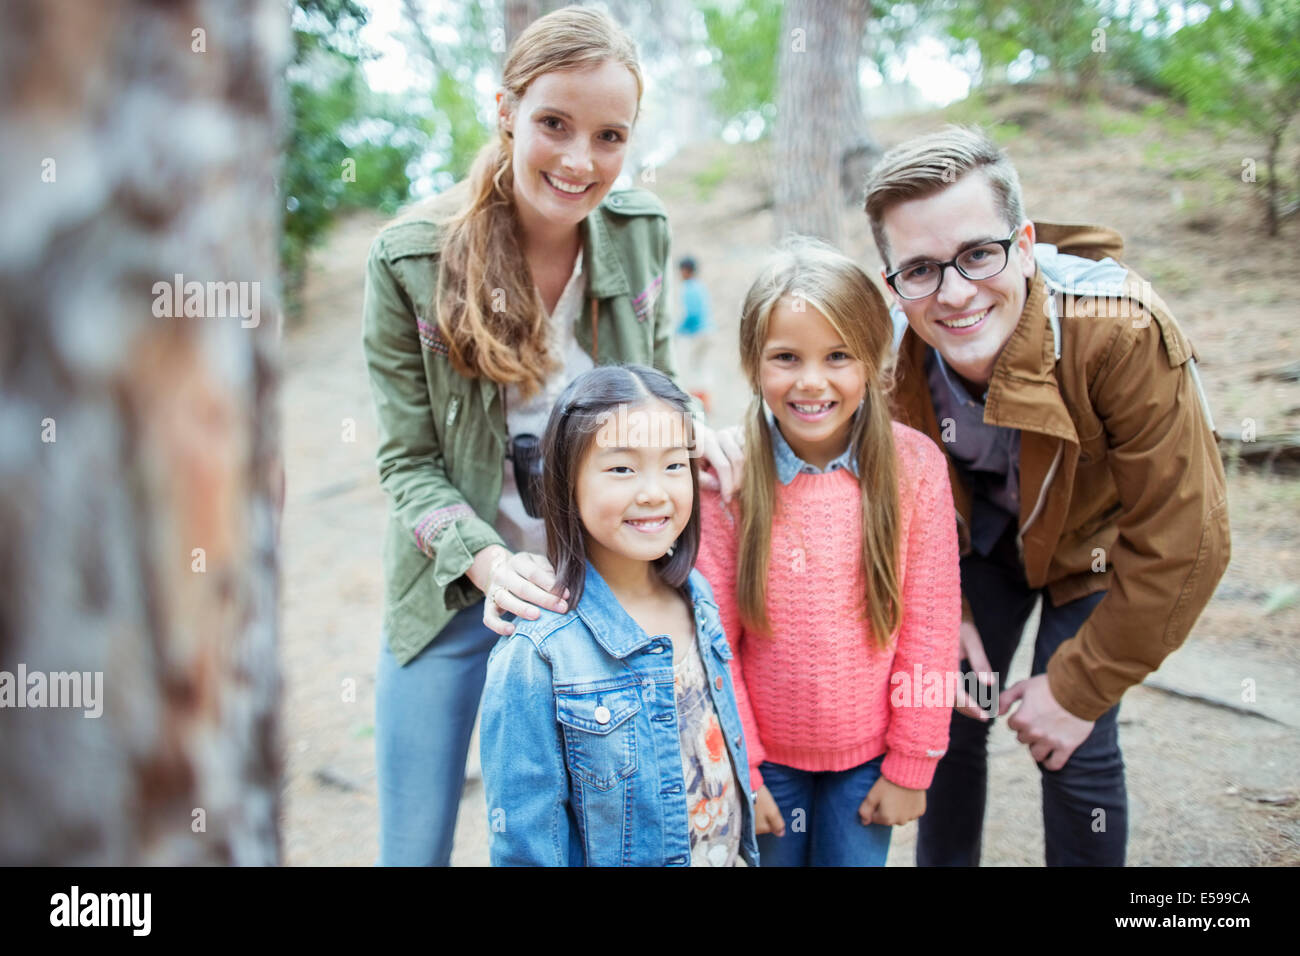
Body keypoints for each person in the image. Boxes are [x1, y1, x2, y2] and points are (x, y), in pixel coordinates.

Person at [361, 6, 743, 866]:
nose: (579, 161)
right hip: (458, 587)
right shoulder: (409, 259)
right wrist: (492, 566)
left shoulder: (639, 231)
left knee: (595, 838)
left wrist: (691, 428)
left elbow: (652, 389)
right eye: (554, 125)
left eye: (610, 135)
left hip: (598, 584)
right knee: (412, 845)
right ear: (506, 110)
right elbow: (407, 464)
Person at [862, 125, 1231, 866]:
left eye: (978, 254)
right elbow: (888, 502)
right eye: (921, 270)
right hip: (979, 547)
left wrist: (1076, 687)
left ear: (1024, 243)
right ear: (892, 281)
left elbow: (1188, 537)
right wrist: (945, 610)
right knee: (947, 714)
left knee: (1078, 741)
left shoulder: (1121, 333)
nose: (956, 293)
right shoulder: (887, 351)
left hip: (1092, 544)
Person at [694, 238, 962, 867]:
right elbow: (717, 643)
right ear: (753, 363)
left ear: (872, 360)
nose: (811, 382)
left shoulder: (914, 467)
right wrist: (745, 769)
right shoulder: (726, 481)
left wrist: (913, 763)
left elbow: (930, 625)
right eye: (786, 357)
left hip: (870, 766)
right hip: (766, 767)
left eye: (838, 356)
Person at [479, 365, 758, 866]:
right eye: (622, 469)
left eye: (674, 466)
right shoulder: (536, 654)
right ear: (567, 485)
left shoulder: (696, 596)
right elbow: (525, 845)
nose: (653, 492)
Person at [674, 255, 716, 409]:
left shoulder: (687, 288)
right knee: (703, 367)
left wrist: (677, 331)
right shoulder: (700, 286)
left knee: (693, 368)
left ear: (686, 271)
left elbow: (691, 314)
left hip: (697, 334)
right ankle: (706, 403)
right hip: (709, 331)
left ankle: (698, 405)